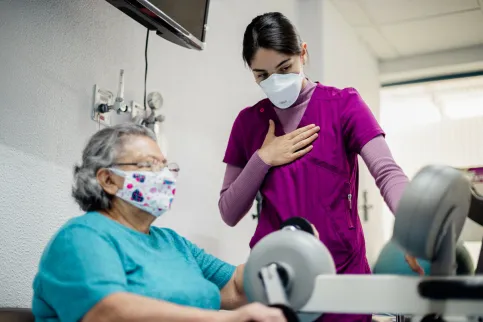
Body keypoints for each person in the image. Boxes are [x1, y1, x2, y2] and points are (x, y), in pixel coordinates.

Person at [219, 12, 423, 322]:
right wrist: (262, 159)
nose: (275, 82)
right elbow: (228, 211)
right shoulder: (248, 123)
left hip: (343, 279)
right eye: (262, 75)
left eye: (284, 68)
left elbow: (387, 172)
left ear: (302, 53)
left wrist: (413, 227)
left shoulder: (343, 105)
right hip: (275, 283)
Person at [32, 124, 286, 322]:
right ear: (108, 180)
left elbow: (236, 287)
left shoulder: (172, 243)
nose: (163, 175)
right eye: (148, 165)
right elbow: (106, 312)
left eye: (165, 166)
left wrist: (291, 248)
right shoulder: (82, 237)